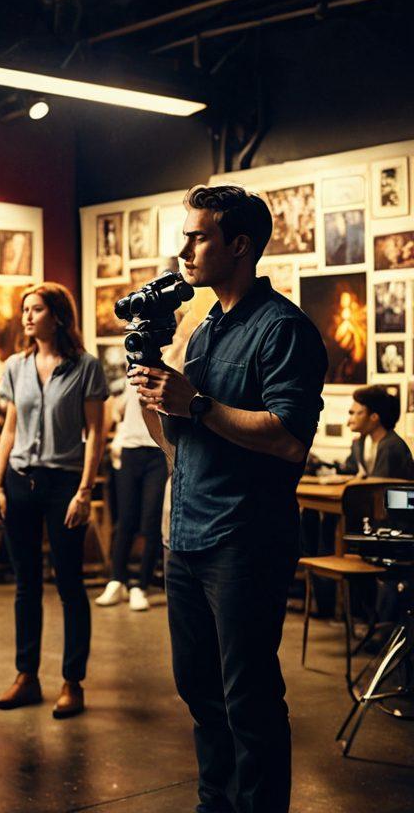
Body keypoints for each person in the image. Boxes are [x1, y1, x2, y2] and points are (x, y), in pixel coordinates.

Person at [130, 185, 327, 813]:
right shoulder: (201, 327)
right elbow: (175, 441)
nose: (184, 250)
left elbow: (289, 438)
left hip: (245, 539)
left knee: (249, 697)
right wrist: (152, 391)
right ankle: (214, 803)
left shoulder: (283, 329)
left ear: (239, 245)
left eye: (198, 237)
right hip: (186, 535)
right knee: (198, 690)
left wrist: (195, 403)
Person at [0, 282, 108, 718]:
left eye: (36, 309)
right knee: (26, 585)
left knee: (70, 585)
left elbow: (96, 432)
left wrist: (85, 491)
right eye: (25, 309)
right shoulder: (16, 366)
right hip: (21, 480)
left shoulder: (85, 367)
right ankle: (27, 676)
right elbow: (9, 430)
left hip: (64, 485)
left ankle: (72, 681)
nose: (27, 316)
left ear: (57, 316)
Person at [95, 380, 167, 611]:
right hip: (129, 449)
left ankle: (141, 586)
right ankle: (117, 580)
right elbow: (114, 407)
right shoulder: (132, 373)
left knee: (151, 521)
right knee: (125, 519)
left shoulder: (171, 371)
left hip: (158, 451)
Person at [340, 385, 414, 479]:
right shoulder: (359, 443)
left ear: (374, 417)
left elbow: (381, 484)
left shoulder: (391, 446)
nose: (349, 421)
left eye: (355, 413)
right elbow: (349, 470)